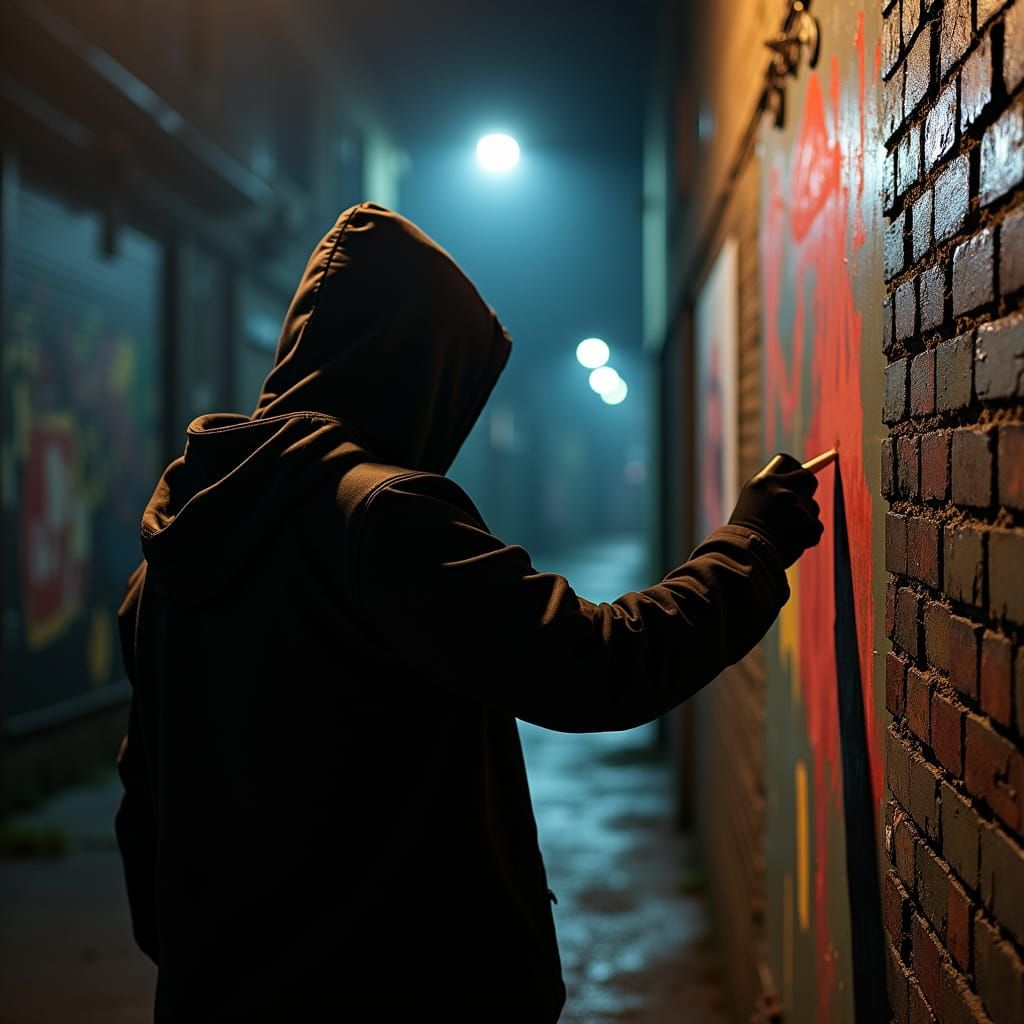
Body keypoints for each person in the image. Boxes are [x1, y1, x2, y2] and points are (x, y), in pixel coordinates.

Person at [114, 202, 823, 1022]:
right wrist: (750, 547)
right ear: (416, 370)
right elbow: (595, 664)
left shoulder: (166, 561)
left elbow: (144, 830)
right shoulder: (381, 519)